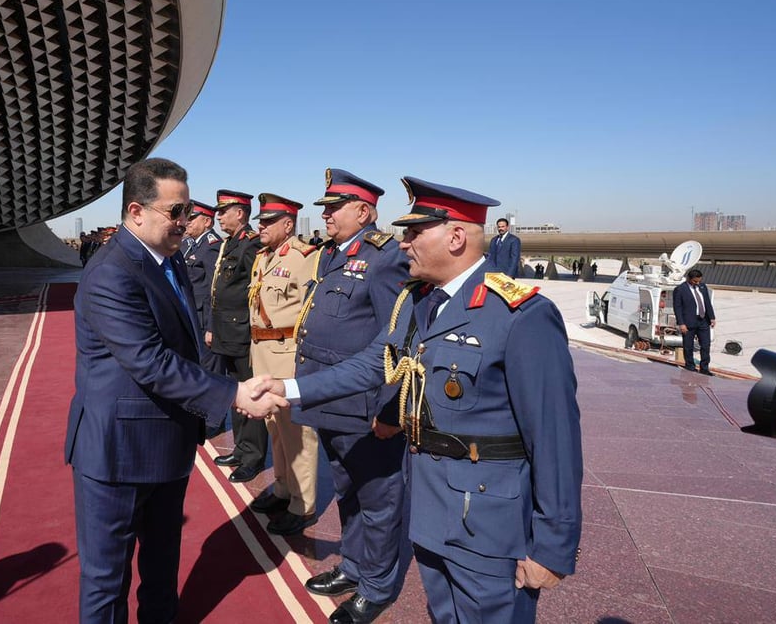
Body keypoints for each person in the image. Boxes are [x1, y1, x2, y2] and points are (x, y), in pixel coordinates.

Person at [253, 176, 583, 624]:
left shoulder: (520, 315)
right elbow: (374, 363)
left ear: (456, 237)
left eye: (413, 233)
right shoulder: (419, 302)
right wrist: (289, 389)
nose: (403, 244)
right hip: (430, 511)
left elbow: (555, 437)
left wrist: (553, 546)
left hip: (488, 524)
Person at [64, 157, 284, 624]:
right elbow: (149, 360)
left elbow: (186, 342)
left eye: (186, 212)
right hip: (117, 453)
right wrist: (233, 394)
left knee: (162, 569)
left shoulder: (170, 259)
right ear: (136, 211)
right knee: (107, 582)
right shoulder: (111, 271)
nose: (185, 222)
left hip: (169, 442)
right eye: (176, 212)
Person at [289, 168, 412, 624]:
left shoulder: (384, 259)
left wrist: (390, 408)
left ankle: (377, 586)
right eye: (324, 207)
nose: (326, 215)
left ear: (364, 211)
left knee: (379, 498)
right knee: (347, 490)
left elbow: (398, 340)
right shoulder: (331, 255)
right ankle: (355, 566)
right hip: (331, 402)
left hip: (365, 406)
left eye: (333, 208)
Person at [246, 193, 320, 536]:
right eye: (260, 221)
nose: (260, 226)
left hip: (286, 353)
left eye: (267, 221)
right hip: (261, 353)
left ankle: (302, 506)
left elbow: (311, 311)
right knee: (275, 428)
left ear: (287, 224)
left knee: (296, 433)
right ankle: (281, 489)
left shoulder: (306, 257)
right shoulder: (263, 257)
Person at [207, 189, 268, 483]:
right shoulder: (230, 244)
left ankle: (253, 457)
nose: (218, 216)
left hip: (243, 333)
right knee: (235, 394)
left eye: (224, 211)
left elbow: (258, 292)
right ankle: (241, 449)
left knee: (251, 395)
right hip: (227, 332)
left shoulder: (250, 245)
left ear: (240, 213)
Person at [181, 200, 225, 436]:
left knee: (212, 372)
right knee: (198, 369)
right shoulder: (190, 246)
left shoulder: (210, 247)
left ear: (206, 221)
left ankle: (213, 421)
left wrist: (211, 326)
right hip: (192, 317)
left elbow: (212, 291)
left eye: (192, 218)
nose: (187, 222)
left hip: (204, 320)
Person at [673, 268, 716, 375]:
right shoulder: (680, 289)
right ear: (689, 278)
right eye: (695, 281)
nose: (697, 283)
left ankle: (704, 368)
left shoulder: (702, 287)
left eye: (699, 281)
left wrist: (712, 317)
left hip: (703, 321)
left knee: (705, 345)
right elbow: (677, 307)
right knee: (688, 346)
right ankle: (690, 366)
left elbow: (707, 302)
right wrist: (681, 323)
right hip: (688, 322)